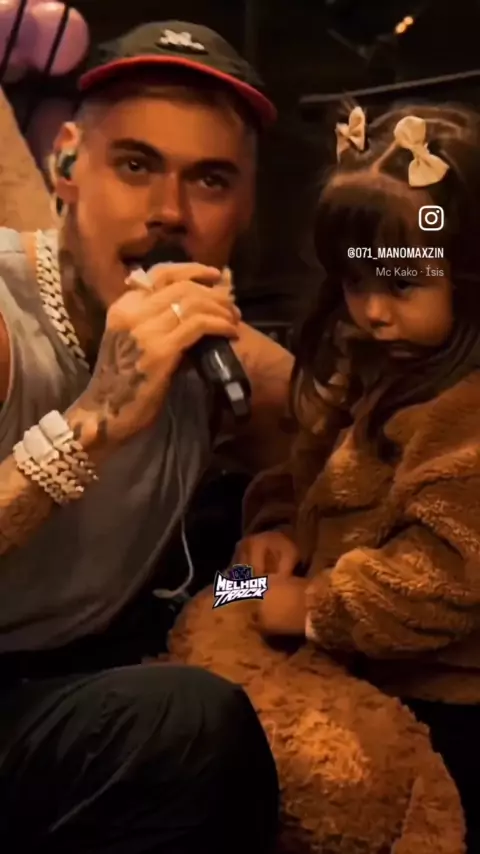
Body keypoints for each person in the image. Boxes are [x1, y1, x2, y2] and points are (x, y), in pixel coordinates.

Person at [0, 20, 287, 852]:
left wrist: (267, 551)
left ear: (245, 209)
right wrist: (96, 418)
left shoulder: (228, 361)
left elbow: (338, 500)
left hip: (87, 667)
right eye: (135, 166)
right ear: (65, 166)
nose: (169, 213)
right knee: (183, 720)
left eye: (210, 180)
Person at [235, 102, 480, 851]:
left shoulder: (466, 412)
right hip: (327, 623)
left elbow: (443, 582)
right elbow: (307, 465)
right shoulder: (367, 358)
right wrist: (273, 526)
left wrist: (312, 606)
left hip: (442, 697)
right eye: (354, 282)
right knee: (217, 600)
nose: (371, 311)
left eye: (401, 286)